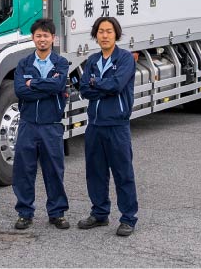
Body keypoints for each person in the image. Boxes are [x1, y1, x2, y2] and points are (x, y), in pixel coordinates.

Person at [77, 16, 139, 237]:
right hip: (94, 125)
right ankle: (100, 213)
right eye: (101, 31)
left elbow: (117, 85)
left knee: (123, 173)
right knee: (95, 172)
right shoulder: (93, 60)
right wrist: (97, 85)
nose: (104, 35)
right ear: (96, 35)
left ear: (116, 34)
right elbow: (84, 89)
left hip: (117, 125)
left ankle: (128, 218)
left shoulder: (125, 58)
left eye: (109, 31)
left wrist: (95, 83)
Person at [12, 19, 71, 230]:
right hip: (28, 124)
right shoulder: (24, 63)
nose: (42, 39)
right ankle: (24, 213)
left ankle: (57, 213)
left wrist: (33, 84)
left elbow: (58, 84)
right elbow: (20, 91)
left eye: (46, 35)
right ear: (33, 38)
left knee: (54, 171)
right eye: (38, 35)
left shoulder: (61, 63)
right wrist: (48, 88)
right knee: (24, 171)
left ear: (53, 38)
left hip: (51, 125)